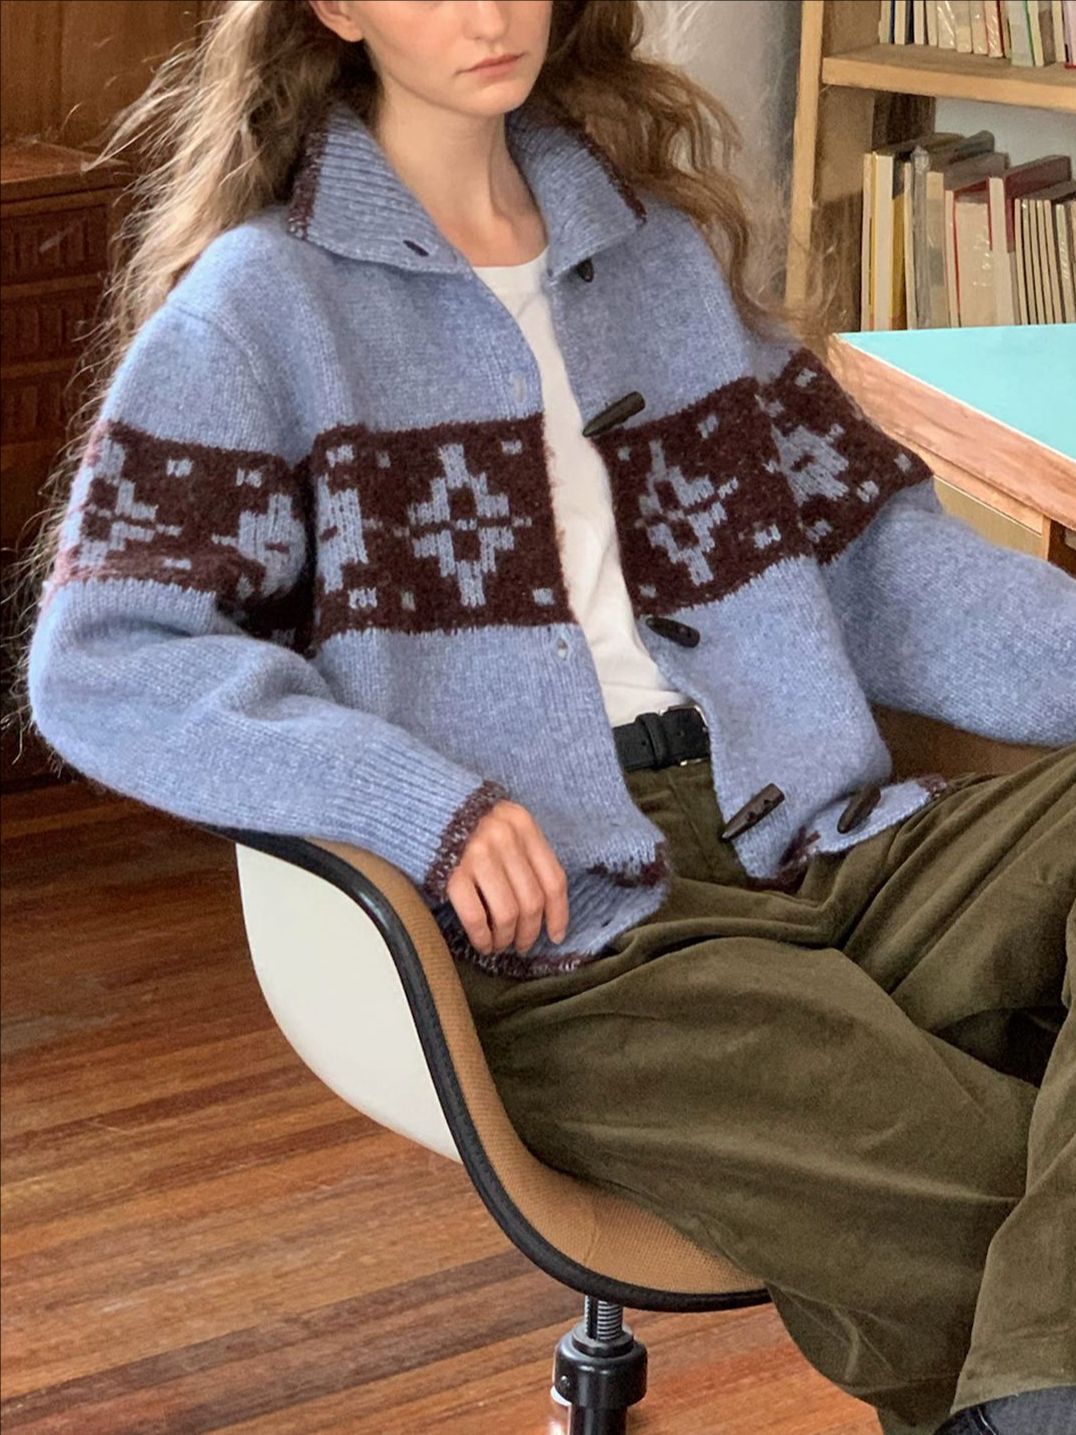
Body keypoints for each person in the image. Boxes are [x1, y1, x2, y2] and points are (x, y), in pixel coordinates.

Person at [9, 3, 1075, 1432]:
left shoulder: (658, 254)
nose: (489, 11)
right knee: (990, 1207)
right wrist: (417, 805)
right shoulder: (265, 308)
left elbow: (878, 565)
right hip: (572, 928)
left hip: (826, 835)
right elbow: (108, 655)